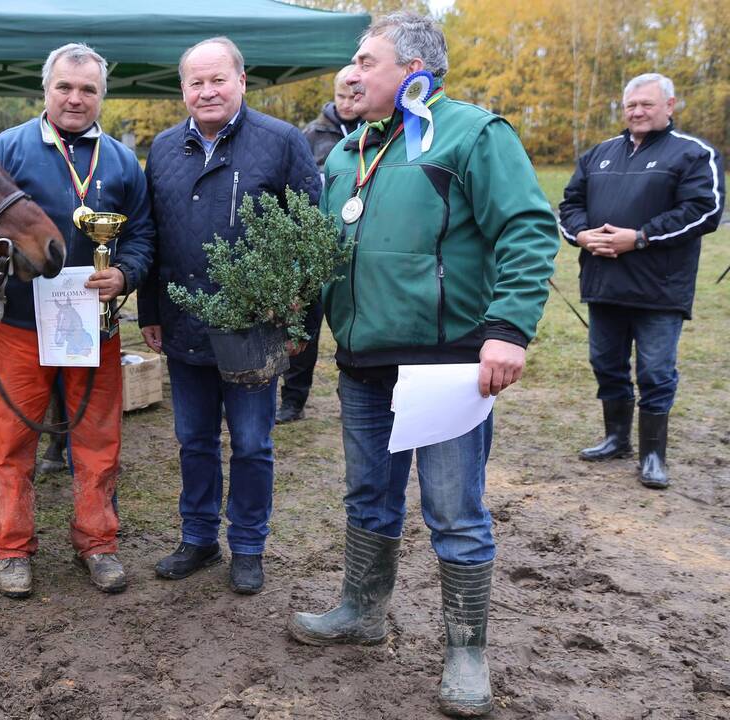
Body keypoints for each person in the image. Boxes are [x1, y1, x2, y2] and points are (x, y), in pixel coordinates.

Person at [285, 12, 559, 717]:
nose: (350, 72)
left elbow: (527, 227)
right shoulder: (350, 150)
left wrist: (508, 330)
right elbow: (328, 253)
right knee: (367, 496)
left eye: (364, 60)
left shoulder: (472, 133)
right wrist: (299, 324)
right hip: (363, 362)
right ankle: (361, 608)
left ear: (412, 69)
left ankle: (467, 649)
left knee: (453, 511)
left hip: (446, 368)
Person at [0, 43, 154, 598]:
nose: (75, 98)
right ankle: (12, 549)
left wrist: (126, 274)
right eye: (65, 87)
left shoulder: (119, 161)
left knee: (98, 441)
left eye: (88, 89)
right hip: (19, 324)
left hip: (96, 328)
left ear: (101, 97)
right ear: (46, 91)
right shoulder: (7, 149)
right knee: (11, 442)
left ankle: (98, 543)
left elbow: (140, 235)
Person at [138, 37, 321, 595]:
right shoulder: (164, 149)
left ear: (242, 81)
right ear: (183, 90)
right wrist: (151, 309)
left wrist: (296, 321)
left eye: (218, 79)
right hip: (184, 322)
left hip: (254, 332)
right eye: (196, 82)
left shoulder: (280, 143)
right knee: (193, 440)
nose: (207, 91)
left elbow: (311, 239)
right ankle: (197, 538)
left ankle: (247, 544)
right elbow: (154, 236)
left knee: (251, 443)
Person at [559, 73, 725, 490]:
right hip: (604, 283)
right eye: (631, 104)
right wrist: (581, 234)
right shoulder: (600, 154)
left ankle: (653, 454)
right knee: (606, 365)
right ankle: (616, 439)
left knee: (655, 371)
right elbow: (570, 204)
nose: (637, 111)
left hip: (659, 288)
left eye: (646, 104)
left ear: (670, 106)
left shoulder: (692, 154)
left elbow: (704, 211)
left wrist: (640, 237)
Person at [276, 66, 362, 425]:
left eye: (353, 97)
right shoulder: (310, 135)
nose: (346, 103)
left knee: (354, 325)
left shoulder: (380, 131)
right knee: (303, 327)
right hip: (313, 246)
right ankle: (293, 399)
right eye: (340, 96)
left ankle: (355, 397)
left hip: (358, 245)